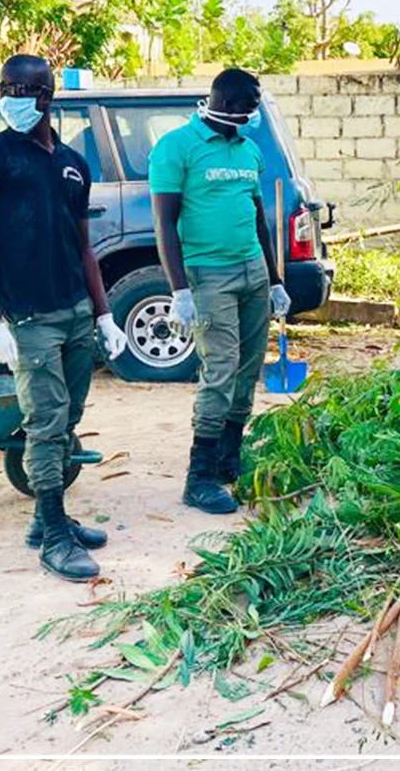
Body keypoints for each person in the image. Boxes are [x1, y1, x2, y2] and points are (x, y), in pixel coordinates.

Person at [0, 54, 129, 581]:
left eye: (22, 88)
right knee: (46, 423)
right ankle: (53, 534)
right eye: (3, 88)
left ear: (47, 96)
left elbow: (83, 248)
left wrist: (104, 316)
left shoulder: (74, 162)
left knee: (69, 416)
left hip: (75, 311)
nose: (9, 97)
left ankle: (45, 518)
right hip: (28, 316)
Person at [149, 68, 292, 514]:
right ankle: (200, 477)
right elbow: (164, 224)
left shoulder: (248, 150)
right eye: (250, 105)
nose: (254, 113)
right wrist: (180, 289)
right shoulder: (176, 148)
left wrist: (274, 280)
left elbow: (257, 219)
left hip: (252, 271)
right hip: (208, 276)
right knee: (220, 370)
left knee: (248, 369)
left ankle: (230, 459)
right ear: (228, 105)